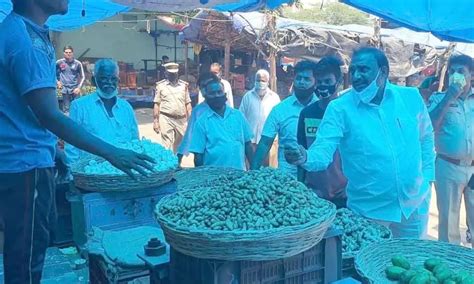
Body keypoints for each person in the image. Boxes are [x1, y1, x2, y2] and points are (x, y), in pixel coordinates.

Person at [0, 2, 154, 283]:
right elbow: (49, 114)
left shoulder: (29, 32)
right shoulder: (23, 39)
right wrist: (111, 153)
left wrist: (52, 151)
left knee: (31, 251)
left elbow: (27, 111)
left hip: (32, 158)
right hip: (23, 164)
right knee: (25, 257)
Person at [284, 47, 435, 238]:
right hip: (370, 212)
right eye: (353, 70)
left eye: (363, 70)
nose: (356, 76)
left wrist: (428, 177)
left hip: (414, 207)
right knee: (370, 265)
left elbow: (426, 138)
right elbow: (322, 152)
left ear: (383, 72)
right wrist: (304, 156)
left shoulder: (410, 98)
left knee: (412, 265)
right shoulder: (340, 109)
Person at [427, 54, 474, 246]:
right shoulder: (438, 98)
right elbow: (428, 126)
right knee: (448, 224)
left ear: (471, 75)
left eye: (461, 71)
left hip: (473, 168)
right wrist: (449, 97)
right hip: (448, 167)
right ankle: (450, 267)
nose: (455, 75)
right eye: (452, 72)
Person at [250, 60, 318, 176]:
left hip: (316, 176)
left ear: (315, 83)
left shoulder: (323, 110)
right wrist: (252, 173)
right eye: (299, 78)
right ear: (293, 79)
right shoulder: (280, 110)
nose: (302, 82)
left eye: (307, 79)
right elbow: (265, 143)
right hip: (288, 179)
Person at [65, 59, 139, 164]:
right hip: (92, 171)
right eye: (104, 78)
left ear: (118, 80)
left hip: (124, 172)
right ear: (94, 80)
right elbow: (71, 143)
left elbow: (135, 140)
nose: (109, 83)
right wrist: (72, 172)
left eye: (113, 79)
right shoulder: (79, 106)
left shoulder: (126, 107)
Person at [296, 56, 347, 208]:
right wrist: (300, 187)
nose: (323, 86)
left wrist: (351, 186)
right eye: (319, 82)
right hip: (314, 194)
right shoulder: (307, 113)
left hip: (343, 194)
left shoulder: (347, 113)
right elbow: (302, 153)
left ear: (338, 83)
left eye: (328, 82)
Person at [189, 77, 254, 170]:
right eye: (212, 93)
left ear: (225, 94)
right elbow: (198, 156)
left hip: (239, 175)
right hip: (214, 179)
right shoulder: (202, 122)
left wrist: (254, 169)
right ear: (206, 97)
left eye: (219, 92)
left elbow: (248, 144)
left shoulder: (238, 116)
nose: (216, 96)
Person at [239, 69, 280, 165]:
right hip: (251, 141)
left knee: (268, 169)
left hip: (269, 141)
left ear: (268, 82)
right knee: (252, 167)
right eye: (258, 80)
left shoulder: (274, 98)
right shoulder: (247, 97)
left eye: (263, 81)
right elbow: (241, 117)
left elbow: (279, 120)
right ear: (254, 81)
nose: (260, 83)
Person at [176, 72, 216, 164]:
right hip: (204, 160)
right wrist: (179, 156)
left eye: (208, 85)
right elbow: (189, 134)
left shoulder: (229, 112)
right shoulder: (198, 111)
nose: (205, 89)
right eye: (202, 87)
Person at [153, 62, 192, 153]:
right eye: (170, 74)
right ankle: (168, 163)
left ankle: (176, 162)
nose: (173, 75)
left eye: (174, 74)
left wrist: (190, 119)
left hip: (181, 119)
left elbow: (188, 103)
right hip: (166, 118)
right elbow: (157, 104)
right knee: (167, 143)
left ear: (177, 73)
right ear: (166, 73)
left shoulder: (184, 86)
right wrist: (156, 121)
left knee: (180, 143)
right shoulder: (160, 86)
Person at [56, 45, 85, 113]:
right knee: (66, 109)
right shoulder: (59, 62)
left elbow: (83, 77)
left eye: (70, 52)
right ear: (63, 53)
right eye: (66, 52)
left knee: (76, 108)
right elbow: (51, 73)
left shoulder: (78, 63)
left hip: (75, 89)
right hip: (64, 90)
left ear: (72, 53)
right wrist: (57, 82)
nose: (68, 54)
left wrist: (79, 88)